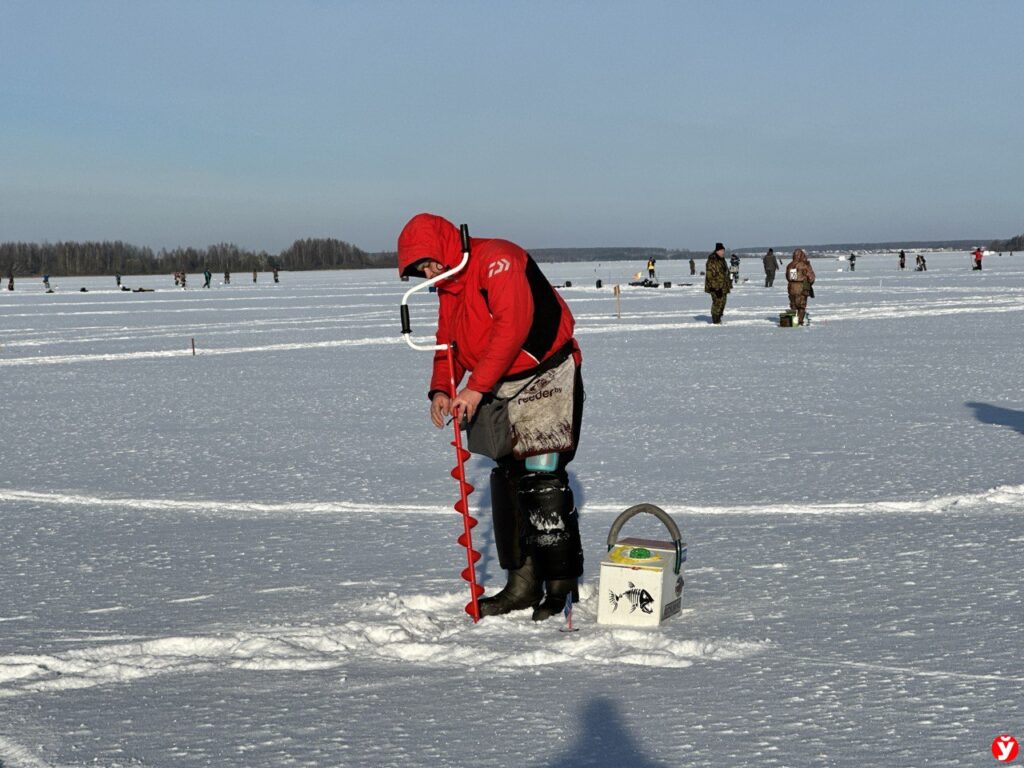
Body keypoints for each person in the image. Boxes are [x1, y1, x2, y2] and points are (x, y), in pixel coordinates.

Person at [397, 212, 584, 622]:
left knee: (542, 478)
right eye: (421, 270)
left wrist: (475, 387)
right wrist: (442, 387)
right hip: (495, 382)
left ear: (447, 246)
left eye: (430, 262)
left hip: (545, 374)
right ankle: (521, 585)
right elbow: (447, 342)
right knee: (509, 479)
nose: (429, 272)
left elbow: (511, 327)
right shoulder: (449, 288)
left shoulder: (498, 259)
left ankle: (560, 586)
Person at [785, 248, 816, 326]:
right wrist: (809, 283)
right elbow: (811, 277)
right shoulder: (804, 265)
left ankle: (793, 322)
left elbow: (791, 277)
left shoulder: (791, 265)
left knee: (793, 305)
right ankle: (800, 322)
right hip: (802, 287)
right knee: (801, 306)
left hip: (791, 287)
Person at [704, 242, 731, 324]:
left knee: (723, 302)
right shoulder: (712, 260)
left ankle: (718, 317)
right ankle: (715, 320)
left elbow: (724, 272)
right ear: (717, 251)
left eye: (724, 251)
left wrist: (730, 276)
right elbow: (710, 276)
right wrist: (716, 288)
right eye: (722, 251)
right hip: (715, 287)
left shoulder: (722, 260)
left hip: (723, 286)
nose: (723, 252)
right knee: (717, 303)